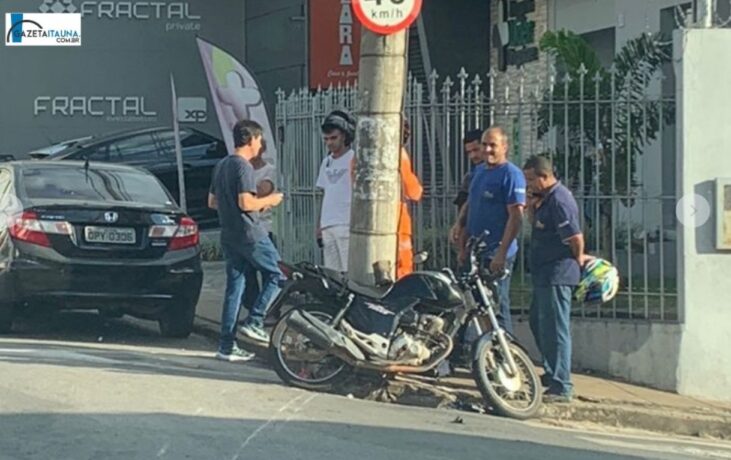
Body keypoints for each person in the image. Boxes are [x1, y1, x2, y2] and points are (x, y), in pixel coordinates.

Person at [208, 120, 284, 362]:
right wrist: (271, 200)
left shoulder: (221, 165)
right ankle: (255, 320)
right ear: (251, 140)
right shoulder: (243, 167)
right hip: (251, 233)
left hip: (229, 234)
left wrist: (230, 207)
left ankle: (226, 346)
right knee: (278, 274)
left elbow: (212, 202)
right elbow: (247, 203)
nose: (260, 145)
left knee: (235, 289)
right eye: (260, 140)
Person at [523, 154, 592, 403]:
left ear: (544, 176)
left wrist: (579, 257)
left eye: (531, 179)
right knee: (537, 322)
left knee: (556, 328)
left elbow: (575, 238)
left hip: (558, 272)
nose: (528, 185)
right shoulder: (544, 199)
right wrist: (531, 206)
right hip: (544, 272)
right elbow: (535, 225)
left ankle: (562, 384)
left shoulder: (560, 200)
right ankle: (553, 371)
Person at [450, 126, 526, 334]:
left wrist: (501, 253)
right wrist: (459, 227)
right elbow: (470, 204)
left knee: (497, 308)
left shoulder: (511, 175)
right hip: (475, 251)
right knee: (475, 305)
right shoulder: (479, 172)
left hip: (496, 252)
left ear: (504, 147)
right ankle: (484, 354)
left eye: (493, 145)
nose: (488, 150)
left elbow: (516, 216)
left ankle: (506, 357)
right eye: (485, 145)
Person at [316, 110, 356, 273]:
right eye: (326, 139)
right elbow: (323, 194)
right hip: (328, 225)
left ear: (345, 136)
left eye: (334, 138)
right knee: (332, 273)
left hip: (346, 223)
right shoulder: (326, 162)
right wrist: (319, 225)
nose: (329, 143)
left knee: (348, 271)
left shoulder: (354, 158)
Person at [241, 138, 277, 315]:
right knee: (247, 274)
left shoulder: (269, 170)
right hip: (246, 228)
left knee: (270, 272)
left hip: (265, 228)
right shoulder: (243, 169)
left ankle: (270, 311)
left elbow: (263, 190)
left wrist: (243, 190)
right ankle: (252, 310)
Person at [396, 118, 423, 279]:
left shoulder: (362, 155)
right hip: (397, 220)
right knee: (403, 272)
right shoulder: (400, 155)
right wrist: (418, 187)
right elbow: (413, 191)